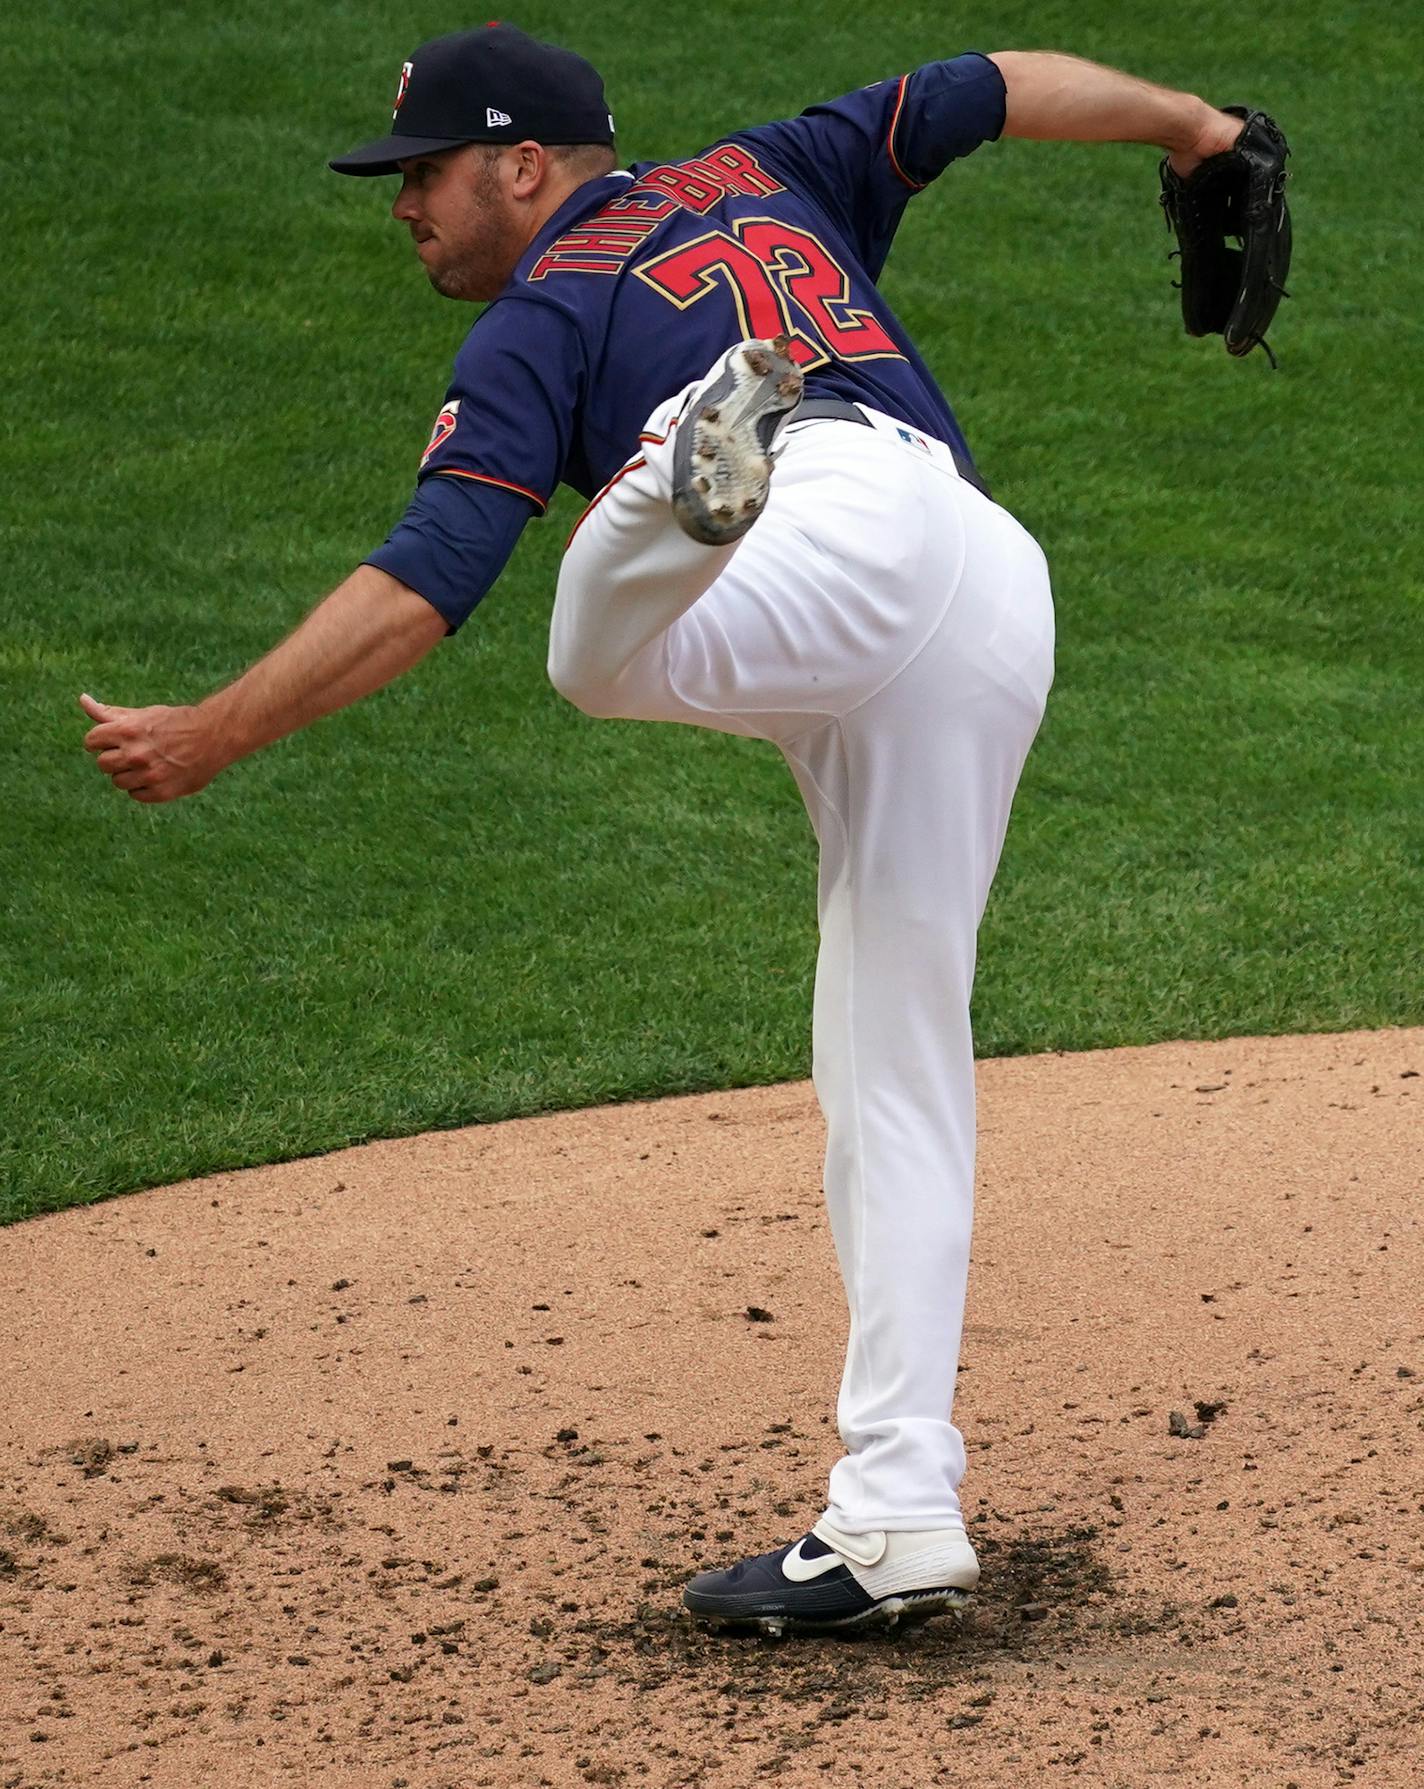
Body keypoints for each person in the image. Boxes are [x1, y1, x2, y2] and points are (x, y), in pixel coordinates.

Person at [80, 23, 1247, 1636]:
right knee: (890, 1066)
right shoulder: (769, 166)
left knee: (587, 645)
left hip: (823, 531)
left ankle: (677, 482)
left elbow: (430, 577)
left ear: (524, 164)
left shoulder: (544, 312)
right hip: (982, 575)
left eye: (422, 173)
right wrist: (1196, 124)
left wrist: (217, 731)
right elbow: (989, 83)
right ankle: (896, 1512)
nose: (401, 206)